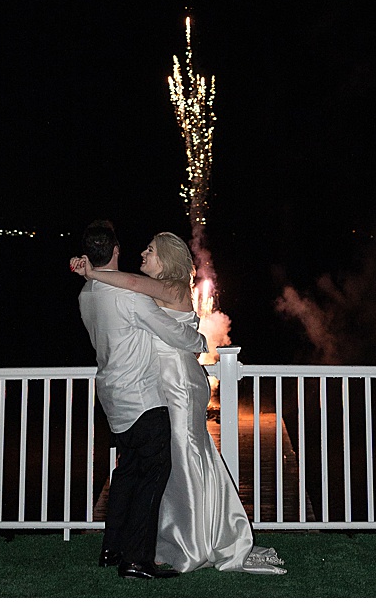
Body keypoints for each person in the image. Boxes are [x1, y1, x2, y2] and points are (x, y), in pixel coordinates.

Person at [72, 231, 286, 575]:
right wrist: (93, 271)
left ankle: (192, 542)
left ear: (168, 260)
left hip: (179, 382)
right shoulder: (146, 286)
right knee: (176, 458)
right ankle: (177, 534)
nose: (143, 253)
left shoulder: (172, 287)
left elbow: (125, 283)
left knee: (184, 455)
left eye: (151, 250)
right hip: (162, 382)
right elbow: (128, 285)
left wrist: (93, 272)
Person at [74, 219, 206, 580]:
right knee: (152, 474)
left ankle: (111, 547)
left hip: (112, 396)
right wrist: (200, 342)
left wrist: (89, 274)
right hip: (143, 396)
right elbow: (170, 331)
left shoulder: (86, 294)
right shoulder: (130, 297)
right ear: (116, 251)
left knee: (127, 473)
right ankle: (136, 559)